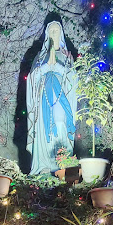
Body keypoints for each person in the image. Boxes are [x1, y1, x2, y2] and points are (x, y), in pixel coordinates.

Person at [26, 21, 77, 175]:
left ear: (61, 34)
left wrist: (58, 67)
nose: (54, 33)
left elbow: (73, 79)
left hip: (61, 99)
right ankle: (44, 166)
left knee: (61, 125)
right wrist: (47, 65)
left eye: (56, 31)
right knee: (44, 129)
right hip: (44, 101)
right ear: (47, 34)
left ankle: (63, 167)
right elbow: (32, 78)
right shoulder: (40, 56)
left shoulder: (67, 56)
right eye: (51, 31)